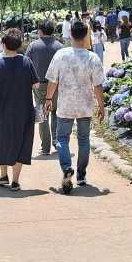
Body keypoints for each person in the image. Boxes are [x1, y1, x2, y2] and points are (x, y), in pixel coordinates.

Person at [44, 21, 106, 194]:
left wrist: (49, 98)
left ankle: (66, 167)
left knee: (62, 138)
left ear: (71, 34)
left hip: (65, 104)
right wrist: (101, 106)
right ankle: (81, 175)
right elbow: (98, 85)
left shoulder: (61, 55)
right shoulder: (92, 57)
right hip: (85, 104)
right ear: (86, 35)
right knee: (84, 139)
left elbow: (52, 80)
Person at [0, 28, 40, 191]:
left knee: (2, 140)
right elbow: (35, 84)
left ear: (3, 44)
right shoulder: (26, 62)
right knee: (22, 141)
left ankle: (3, 175)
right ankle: (16, 180)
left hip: (3, 110)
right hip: (24, 110)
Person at [25, 20, 63, 155]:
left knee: (42, 113)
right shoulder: (59, 46)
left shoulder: (33, 46)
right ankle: (58, 142)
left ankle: (45, 146)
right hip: (57, 84)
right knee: (56, 112)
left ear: (40, 31)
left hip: (39, 84)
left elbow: (26, 65)